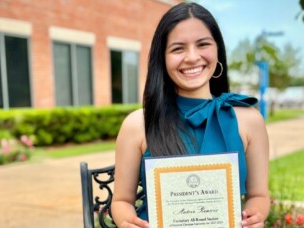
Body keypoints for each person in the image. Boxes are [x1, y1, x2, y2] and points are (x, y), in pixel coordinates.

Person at [111, 2, 270, 228]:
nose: (192, 57)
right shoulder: (137, 124)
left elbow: (259, 195)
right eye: (178, 48)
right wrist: (128, 222)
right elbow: (122, 201)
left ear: (218, 50)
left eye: (203, 44)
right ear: (162, 58)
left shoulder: (250, 120)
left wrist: (255, 216)